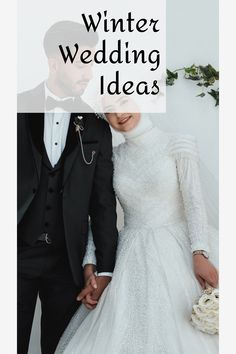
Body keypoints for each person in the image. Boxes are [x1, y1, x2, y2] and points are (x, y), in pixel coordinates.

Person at [55, 101, 219, 354]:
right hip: (129, 256)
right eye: (110, 109)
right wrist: (92, 264)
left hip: (178, 250)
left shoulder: (178, 143)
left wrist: (200, 253)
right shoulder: (114, 157)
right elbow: (100, 215)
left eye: (124, 102)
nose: (119, 114)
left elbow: (195, 203)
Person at [17, 21, 118, 354]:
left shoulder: (96, 127)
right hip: (15, 255)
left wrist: (103, 268)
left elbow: (102, 203)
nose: (89, 73)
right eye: (82, 61)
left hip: (67, 263)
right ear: (54, 61)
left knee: (60, 348)